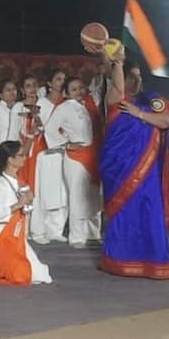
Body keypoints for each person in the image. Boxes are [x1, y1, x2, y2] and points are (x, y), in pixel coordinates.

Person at [101, 57, 169, 278]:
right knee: (125, 212)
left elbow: (166, 121)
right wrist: (117, 64)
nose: (137, 80)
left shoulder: (151, 100)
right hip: (121, 169)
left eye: (139, 76)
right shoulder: (115, 98)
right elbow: (118, 86)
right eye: (132, 76)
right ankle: (120, 260)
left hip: (147, 169)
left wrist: (139, 114)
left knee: (149, 210)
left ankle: (153, 262)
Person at [0, 140, 52, 285]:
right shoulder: (0, 185)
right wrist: (19, 204)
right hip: (2, 239)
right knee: (23, 276)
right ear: (10, 159)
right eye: (20, 155)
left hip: (16, 237)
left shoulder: (17, 181)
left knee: (42, 275)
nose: (25, 158)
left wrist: (28, 199)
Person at [57, 77, 102, 248]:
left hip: (93, 155)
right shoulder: (64, 108)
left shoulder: (91, 104)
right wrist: (67, 143)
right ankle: (76, 236)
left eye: (81, 88)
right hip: (75, 158)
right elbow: (50, 129)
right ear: (67, 93)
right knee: (77, 196)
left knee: (93, 194)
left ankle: (93, 233)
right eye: (73, 89)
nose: (78, 92)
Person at [31, 69, 69, 244]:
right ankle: (38, 230)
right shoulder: (41, 103)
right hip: (46, 153)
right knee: (45, 192)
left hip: (65, 153)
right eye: (58, 79)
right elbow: (41, 128)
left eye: (64, 79)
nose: (61, 82)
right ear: (49, 83)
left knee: (62, 193)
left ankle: (56, 229)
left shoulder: (68, 103)